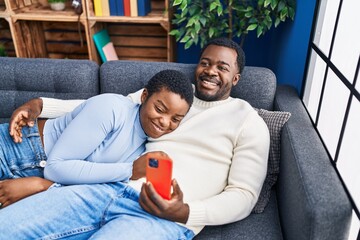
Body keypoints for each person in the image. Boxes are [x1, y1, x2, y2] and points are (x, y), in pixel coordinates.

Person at [0, 37, 270, 239]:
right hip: (105, 187)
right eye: (205, 63)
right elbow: (104, 106)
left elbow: (244, 195)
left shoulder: (249, 121)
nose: (211, 71)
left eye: (222, 67)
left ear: (236, 78)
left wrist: (185, 211)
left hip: (163, 217)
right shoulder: (173, 94)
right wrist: (41, 105)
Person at [0, 69, 193, 202]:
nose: (165, 122)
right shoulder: (111, 108)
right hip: (15, 149)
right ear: (144, 97)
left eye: (175, 119)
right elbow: (56, 167)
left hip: (35, 179)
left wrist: (43, 186)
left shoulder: (144, 146)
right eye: (159, 109)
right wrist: (130, 171)